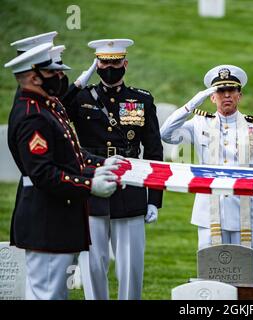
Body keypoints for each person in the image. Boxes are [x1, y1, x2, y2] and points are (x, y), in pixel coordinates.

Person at [4, 43, 119, 300]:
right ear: (34, 77)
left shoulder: (46, 106)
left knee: (54, 292)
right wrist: (90, 185)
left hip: (59, 217)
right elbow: (43, 173)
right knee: (47, 293)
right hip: (47, 220)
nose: (60, 77)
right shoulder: (33, 115)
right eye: (53, 72)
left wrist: (101, 163)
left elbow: (70, 153)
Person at [67, 39, 163, 300]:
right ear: (96, 65)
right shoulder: (82, 98)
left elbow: (154, 151)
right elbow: (57, 111)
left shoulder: (140, 99)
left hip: (130, 186)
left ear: (125, 64)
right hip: (92, 184)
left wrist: (154, 198)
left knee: (131, 265)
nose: (110, 68)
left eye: (116, 62)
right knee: (93, 264)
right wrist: (77, 84)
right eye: (104, 63)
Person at [160, 65, 253, 277]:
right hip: (208, 214)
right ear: (212, 97)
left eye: (231, 91)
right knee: (212, 279)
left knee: (246, 279)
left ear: (239, 95)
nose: (226, 96)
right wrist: (193, 103)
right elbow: (166, 133)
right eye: (220, 92)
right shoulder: (198, 123)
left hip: (246, 214)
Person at [10, 31, 97, 104]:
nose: (58, 76)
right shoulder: (32, 110)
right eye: (51, 71)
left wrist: (77, 85)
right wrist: (77, 85)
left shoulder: (38, 98)